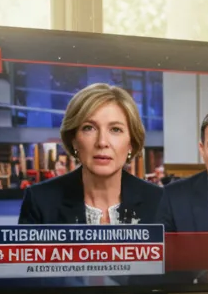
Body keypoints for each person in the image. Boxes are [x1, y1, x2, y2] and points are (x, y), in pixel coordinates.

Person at [16, 83, 162, 225]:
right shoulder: (40, 201)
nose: (102, 142)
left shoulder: (159, 201)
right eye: (89, 128)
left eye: (115, 129)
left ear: (131, 142)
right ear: (74, 140)